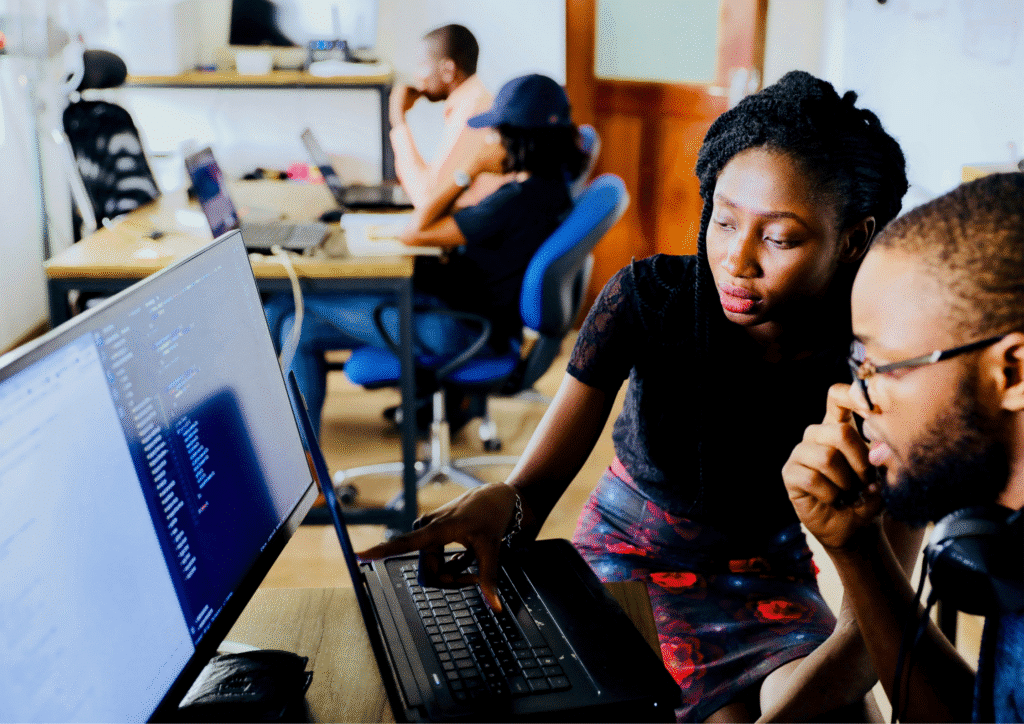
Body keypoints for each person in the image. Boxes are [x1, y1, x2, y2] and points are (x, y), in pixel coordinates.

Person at [358, 71, 918, 722]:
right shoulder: (650, 301)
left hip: (766, 580)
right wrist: (500, 505)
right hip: (626, 562)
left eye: (779, 237)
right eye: (724, 221)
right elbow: (532, 491)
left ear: (853, 238)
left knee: (841, 715)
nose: (736, 260)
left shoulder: (882, 371)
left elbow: (872, 629)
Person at [782, 172, 1024, 722]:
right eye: (856, 364)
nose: (852, 397)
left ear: (1013, 371)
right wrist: (858, 549)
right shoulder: (1008, 539)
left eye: (881, 366)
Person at [265, 74, 586, 436]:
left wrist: (469, 169)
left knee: (288, 316)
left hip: (458, 328)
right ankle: (305, 459)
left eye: (496, 132)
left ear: (519, 138)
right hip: (468, 315)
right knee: (289, 315)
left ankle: (305, 464)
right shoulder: (552, 190)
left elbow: (415, 230)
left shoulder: (515, 202)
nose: (489, 139)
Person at [389, 23, 498, 209]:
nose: (417, 76)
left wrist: (398, 119)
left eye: (422, 65)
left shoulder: (471, 112)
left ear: (448, 70)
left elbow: (427, 199)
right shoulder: (474, 100)